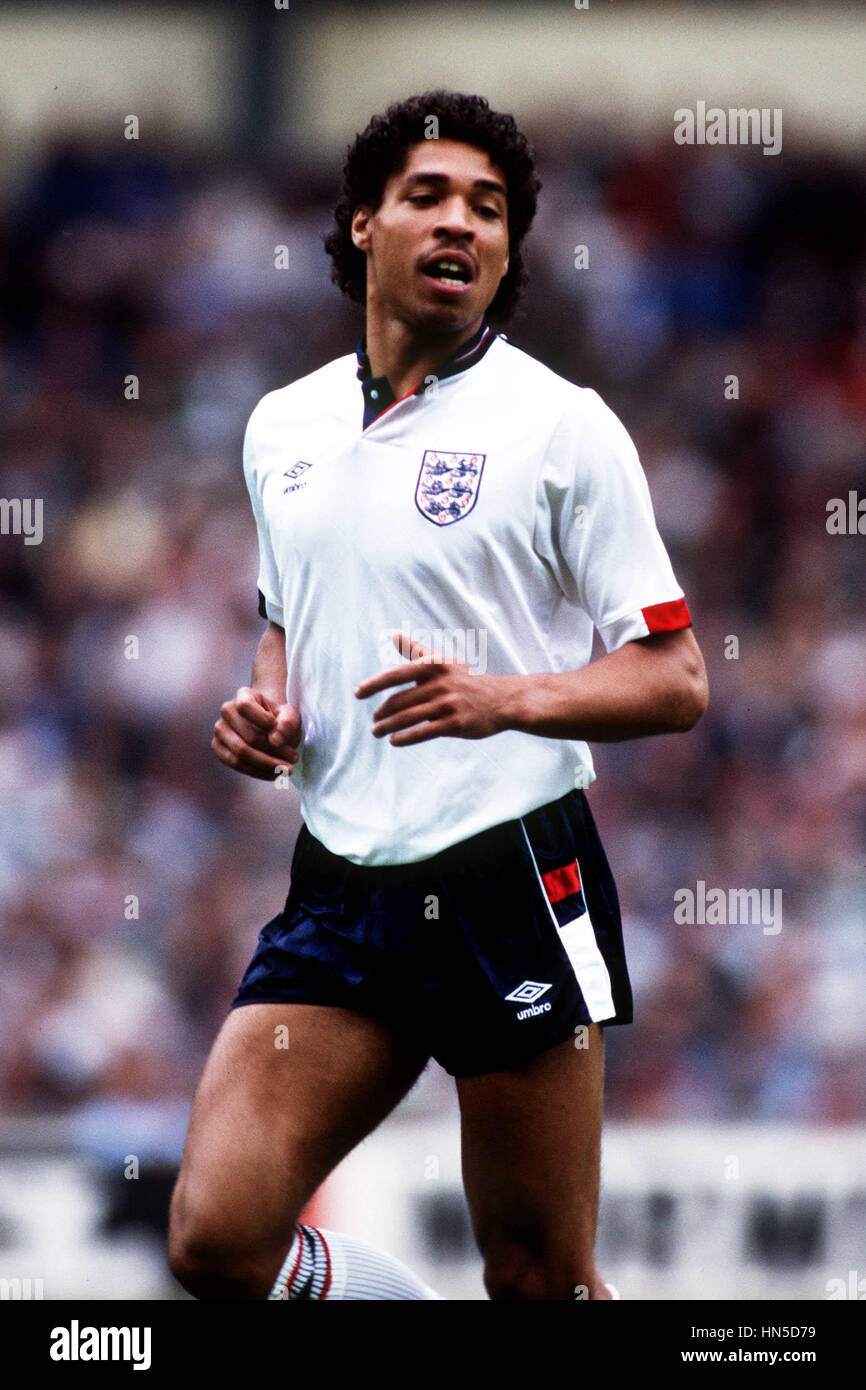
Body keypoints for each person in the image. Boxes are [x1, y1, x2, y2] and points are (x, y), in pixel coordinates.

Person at [168, 90, 708, 1301]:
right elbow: (285, 616)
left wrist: (503, 697)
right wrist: (267, 707)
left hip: (510, 878)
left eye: (490, 206)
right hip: (342, 888)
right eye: (428, 196)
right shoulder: (282, 425)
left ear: (509, 248)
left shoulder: (562, 428)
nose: (460, 222)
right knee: (216, 1239)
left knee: (537, 1275)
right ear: (364, 223)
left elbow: (675, 680)